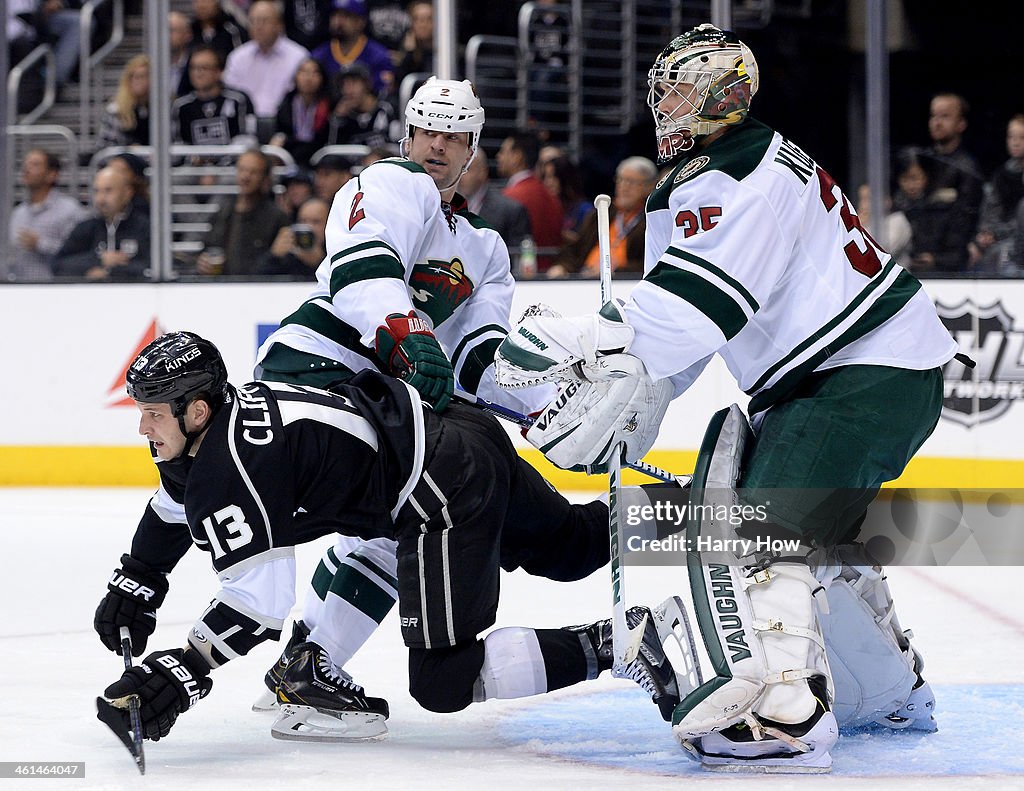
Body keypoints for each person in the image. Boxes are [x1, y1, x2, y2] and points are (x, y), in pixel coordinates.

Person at [495, 24, 956, 772]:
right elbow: (684, 327)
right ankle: (884, 692)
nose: (663, 105)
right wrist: (645, 392)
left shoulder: (744, 173)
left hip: (860, 370)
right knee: (809, 542)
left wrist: (586, 337)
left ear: (723, 95)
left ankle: (787, 718)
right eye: (661, 92)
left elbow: (694, 311)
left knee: (759, 537)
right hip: (856, 371)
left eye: (678, 89)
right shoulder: (706, 176)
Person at [93, 331, 676, 744]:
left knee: (443, 681)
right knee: (572, 547)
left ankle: (620, 644)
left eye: (152, 413)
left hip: (439, 489)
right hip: (453, 429)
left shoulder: (233, 465)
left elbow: (258, 605)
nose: (142, 426)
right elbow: (172, 503)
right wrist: (138, 579)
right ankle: (725, 512)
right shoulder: (214, 428)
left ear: (196, 411)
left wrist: (182, 667)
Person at [248, 78, 559, 726]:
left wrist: (550, 408)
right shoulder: (391, 183)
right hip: (319, 367)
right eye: (427, 130)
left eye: (452, 135)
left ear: (472, 147)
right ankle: (306, 666)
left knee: (395, 515)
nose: (436, 145)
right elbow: (363, 266)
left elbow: (478, 357)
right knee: (411, 509)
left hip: (374, 395)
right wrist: (411, 337)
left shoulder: (486, 250)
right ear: (407, 134)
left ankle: (302, 661)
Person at [910, 93, 984, 272]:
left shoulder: (967, 168)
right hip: (915, 249)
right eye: (933, 116)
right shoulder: (922, 162)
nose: (937, 122)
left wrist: (939, 259)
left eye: (945, 116)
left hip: (949, 258)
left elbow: (965, 220)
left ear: (961, 124)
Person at [547, 156, 655, 278]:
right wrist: (562, 266)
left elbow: (652, 262)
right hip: (584, 279)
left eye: (631, 182)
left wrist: (616, 270)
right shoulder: (602, 213)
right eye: (620, 180)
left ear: (649, 187)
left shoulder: (653, 220)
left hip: (624, 283)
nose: (624, 187)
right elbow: (574, 249)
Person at [195, 149, 290, 276]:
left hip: (262, 289)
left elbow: (282, 263)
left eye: (253, 172)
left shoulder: (276, 217)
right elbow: (208, 248)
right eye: (242, 170)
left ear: (265, 178)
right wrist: (203, 263)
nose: (245, 176)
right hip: (223, 288)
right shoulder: (224, 210)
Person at [53, 165, 151, 280]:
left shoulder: (144, 227)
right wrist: (97, 260)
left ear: (127, 193)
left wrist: (112, 272)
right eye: (97, 191)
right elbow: (58, 266)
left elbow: (155, 267)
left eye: (108, 190)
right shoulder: (86, 228)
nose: (101, 199)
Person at [6, 149, 88, 282]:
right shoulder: (18, 213)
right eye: (26, 164)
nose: (27, 169)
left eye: (35, 164)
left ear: (52, 174)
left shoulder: (70, 210)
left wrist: (40, 244)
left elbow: (80, 254)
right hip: (21, 290)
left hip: (56, 290)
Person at [223, 1, 309, 120]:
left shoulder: (298, 56)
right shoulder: (237, 57)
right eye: (253, 21)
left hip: (284, 123)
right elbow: (229, 98)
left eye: (264, 21)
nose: (258, 26)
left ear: (279, 25)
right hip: (244, 123)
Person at [496, 130, 564, 271]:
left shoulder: (509, 198)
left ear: (517, 156)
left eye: (503, 152)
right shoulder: (552, 197)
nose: (498, 156)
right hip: (551, 277)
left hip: (519, 277)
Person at [171, 44, 257, 146]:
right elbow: (177, 145)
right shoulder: (181, 106)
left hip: (233, 161)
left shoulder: (239, 100)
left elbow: (248, 139)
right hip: (192, 162)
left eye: (204, 68)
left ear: (219, 72)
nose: (198, 73)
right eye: (193, 68)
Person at [970, 114, 1024, 275]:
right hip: (1002, 238)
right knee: (976, 251)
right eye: (1011, 137)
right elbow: (990, 210)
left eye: (1022, 137)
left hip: (1016, 242)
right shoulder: (1001, 175)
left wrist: (999, 234)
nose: (1015, 142)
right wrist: (987, 233)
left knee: (1003, 255)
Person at [311, 0, 394, 98]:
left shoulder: (379, 56)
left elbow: (382, 95)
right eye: (335, 15)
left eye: (346, 16)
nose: (338, 21)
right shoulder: (319, 55)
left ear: (361, 22)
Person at [458, 148, 530, 255]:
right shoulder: (445, 205)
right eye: (458, 169)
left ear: (482, 172)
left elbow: (516, 259)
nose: (460, 175)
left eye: (467, 169)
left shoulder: (511, 210)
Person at [268, 58, 332, 169]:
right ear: (296, 76)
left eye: (314, 73)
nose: (308, 78)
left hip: (319, 152)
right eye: (304, 72)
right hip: (292, 151)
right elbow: (281, 131)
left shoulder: (330, 104)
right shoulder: (287, 102)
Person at [325, 63, 398, 148]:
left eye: (353, 83)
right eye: (343, 85)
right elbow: (333, 151)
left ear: (367, 84)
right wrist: (338, 120)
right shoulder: (343, 116)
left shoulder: (387, 108)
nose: (347, 90)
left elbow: (398, 144)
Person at [257, 197, 330, 278]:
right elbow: (258, 280)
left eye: (316, 222)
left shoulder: (335, 251)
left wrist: (318, 262)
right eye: (303, 221)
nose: (308, 227)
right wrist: (275, 256)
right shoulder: (289, 253)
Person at [96, 55, 151, 151]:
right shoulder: (115, 110)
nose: (141, 81)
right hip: (124, 160)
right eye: (136, 77)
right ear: (128, 80)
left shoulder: (165, 109)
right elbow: (105, 148)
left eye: (145, 77)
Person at [540, 154, 592, 246]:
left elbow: (588, 244)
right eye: (545, 177)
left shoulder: (585, 210)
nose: (548, 182)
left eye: (553, 176)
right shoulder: (544, 208)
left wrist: (561, 234)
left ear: (565, 177)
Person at [168, 10, 194, 99]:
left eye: (171, 30)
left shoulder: (195, 64)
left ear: (187, 34)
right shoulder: (151, 66)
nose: (166, 35)